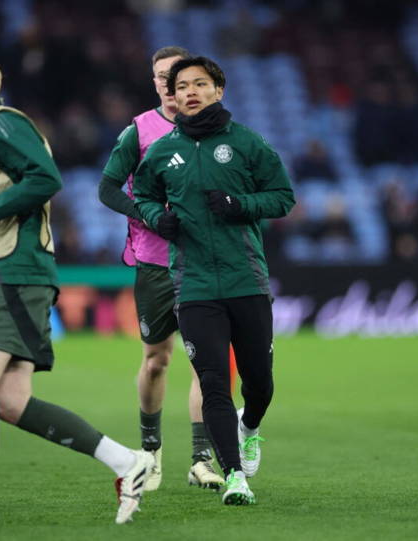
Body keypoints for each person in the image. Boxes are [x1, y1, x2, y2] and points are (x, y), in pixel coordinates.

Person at [0, 38, 153, 530]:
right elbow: (16, 195)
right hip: (9, 267)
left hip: (15, 272)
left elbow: (45, 179)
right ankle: (127, 462)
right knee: (8, 401)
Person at [133, 56, 295, 505]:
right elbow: (142, 194)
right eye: (182, 85)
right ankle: (235, 477)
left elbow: (283, 197)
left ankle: (252, 427)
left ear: (218, 90)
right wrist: (154, 217)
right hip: (195, 286)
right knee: (213, 383)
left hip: (247, 280)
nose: (190, 91)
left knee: (259, 382)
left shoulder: (247, 143)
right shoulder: (162, 151)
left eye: (200, 84)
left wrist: (239, 204)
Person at [98, 45, 223, 491]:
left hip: (205, 262)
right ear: (155, 84)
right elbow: (107, 189)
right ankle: (150, 453)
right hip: (153, 261)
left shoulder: (215, 132)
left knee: (207, 364)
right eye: (160, 76)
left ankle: (201, 460)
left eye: (176, 74)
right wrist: (149, 215)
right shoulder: (139, 131)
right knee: (156, 361)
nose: (168, 82)